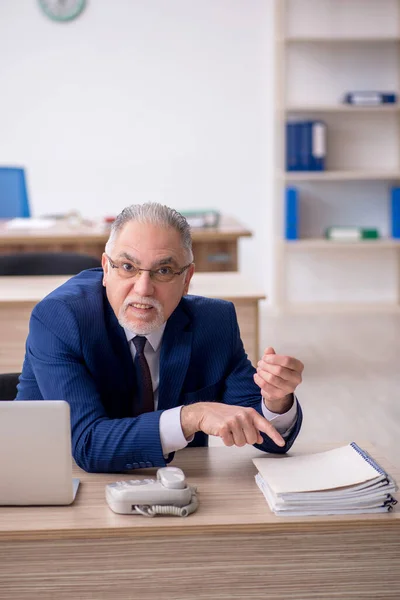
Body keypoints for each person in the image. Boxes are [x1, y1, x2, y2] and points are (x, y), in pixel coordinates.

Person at [16, 203, 304, 473]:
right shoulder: (60, 318)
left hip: (174, 490)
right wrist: (192, 416)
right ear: (106, 269)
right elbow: (88, 443)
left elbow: (264, 434)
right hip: (51, 479)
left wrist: (275, 400)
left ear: (187, 278)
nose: (143, 289)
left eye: (163, 271)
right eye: (128, 267)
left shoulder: (215, 322)